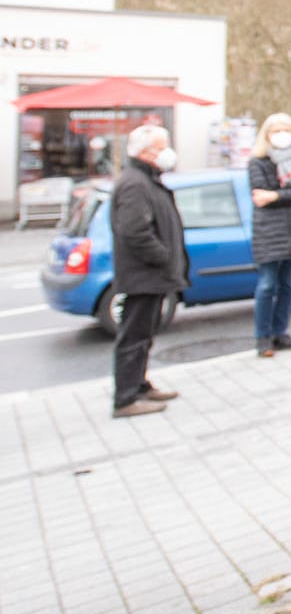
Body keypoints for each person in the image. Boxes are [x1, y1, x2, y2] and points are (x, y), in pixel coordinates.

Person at [108, 124, 187, 418]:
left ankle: (139, 385)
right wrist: (163, 257)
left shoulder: (145, 180)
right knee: (134, 336)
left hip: (150, 275)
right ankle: (126, 398)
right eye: (162, 146)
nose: (168, 152)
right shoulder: (135, 183)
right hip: (143, 275)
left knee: (144, 334)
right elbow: (134, 231)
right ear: (145, 152)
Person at [248, 112, 291, 357]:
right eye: (276, 131)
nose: (281, 135)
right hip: (269, 234)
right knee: (267, 285)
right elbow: (260, 195)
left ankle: (280, 332)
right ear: (267, 135)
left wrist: (276, 196)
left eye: (286, 130)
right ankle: (263, 337)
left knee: (288, 285)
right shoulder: (257, 162)